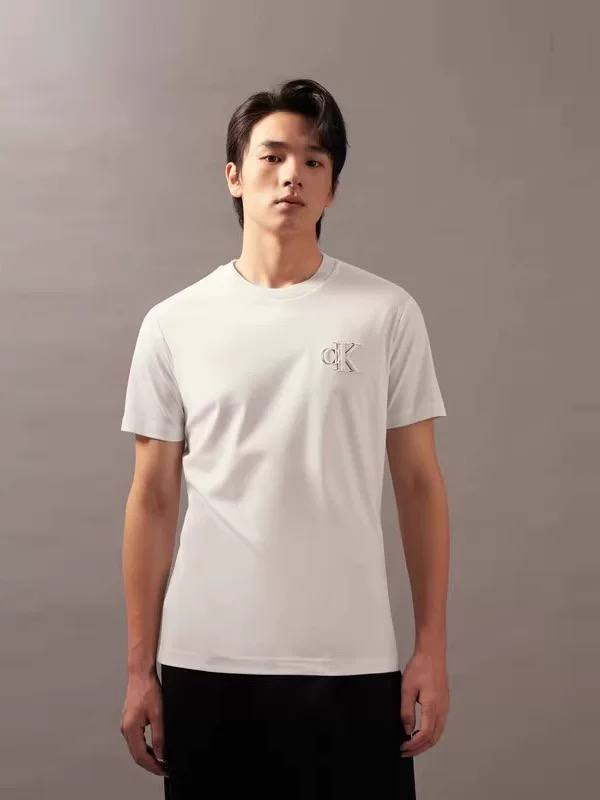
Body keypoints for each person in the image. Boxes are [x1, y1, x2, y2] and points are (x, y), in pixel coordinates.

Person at [119, 77, 450, 799]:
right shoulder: (174, 323)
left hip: (352, 663)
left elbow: (420, 484)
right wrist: (140, 669)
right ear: (234, 176)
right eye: (272, 157)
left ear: (332, 188)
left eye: (313, 161)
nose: (292, 175)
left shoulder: (385, 313)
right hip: (207, 662)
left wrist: (431, 648)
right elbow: (152, 500)